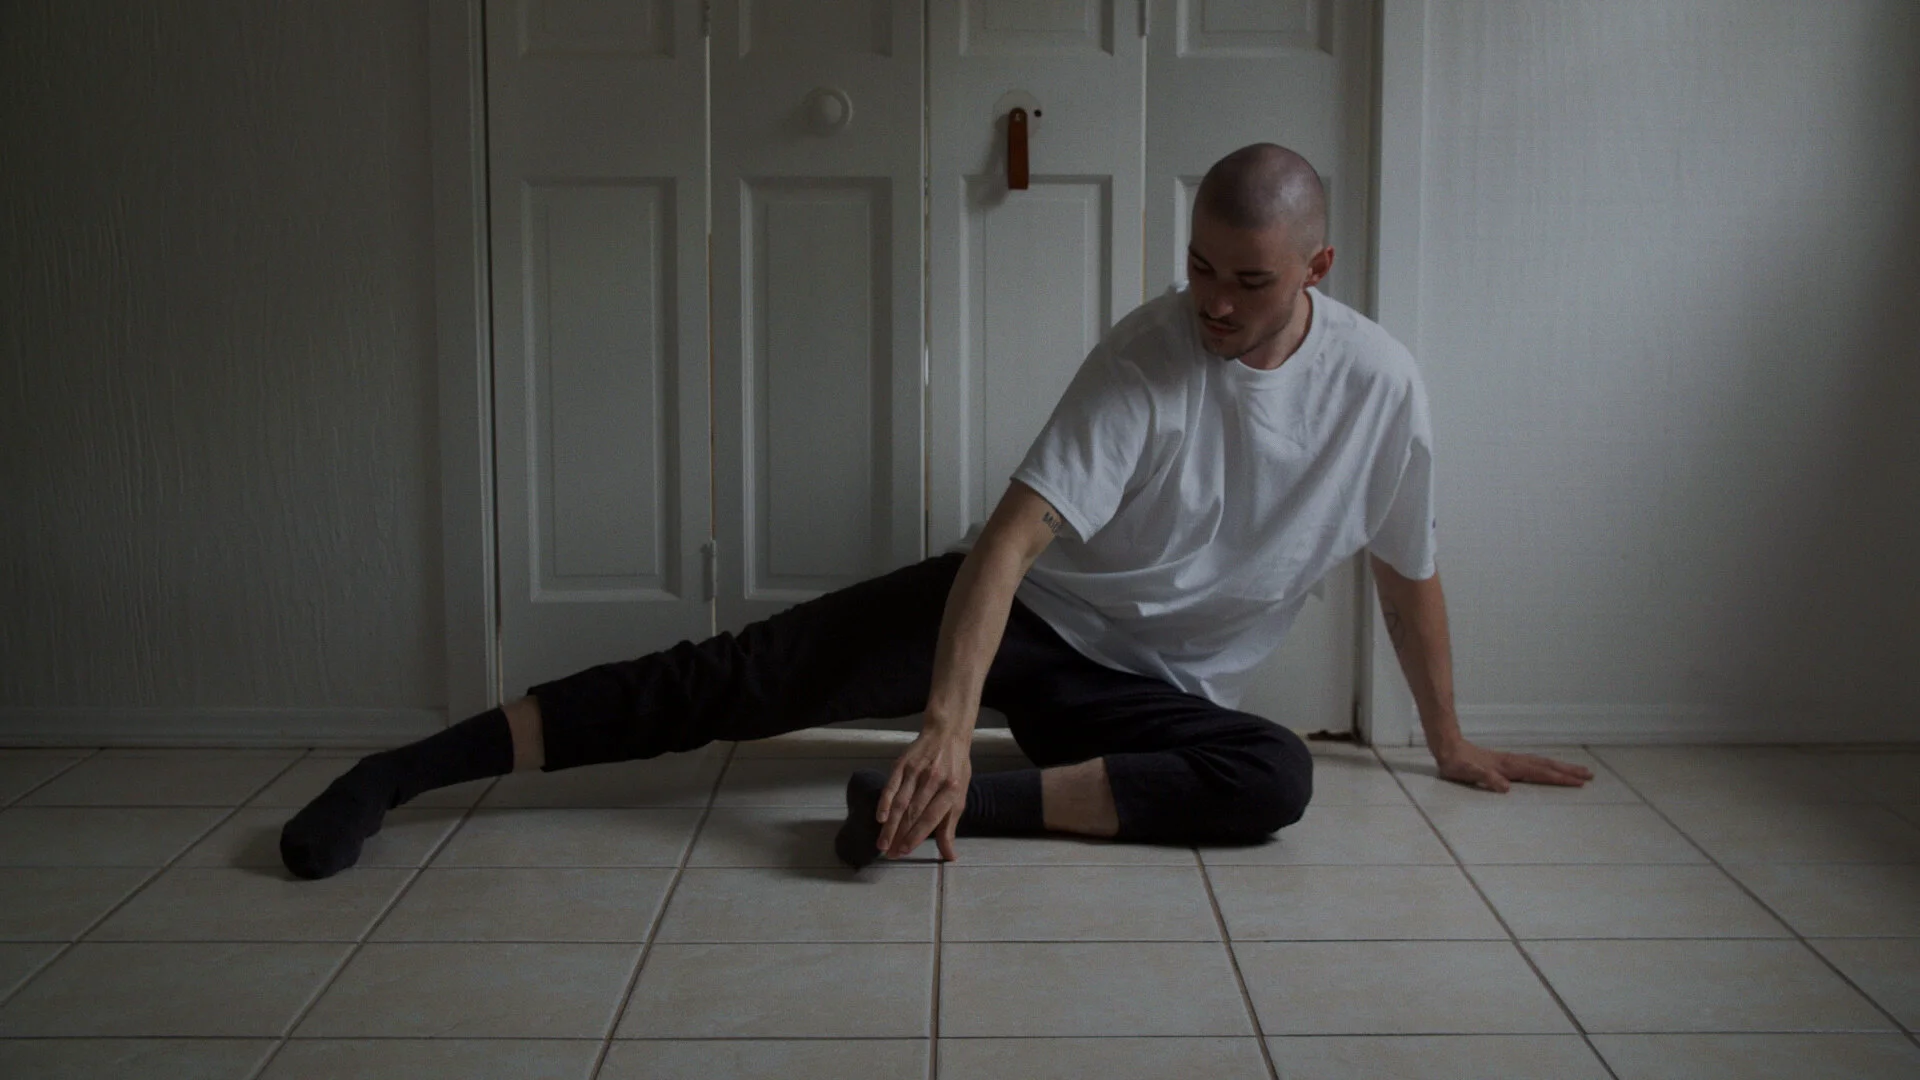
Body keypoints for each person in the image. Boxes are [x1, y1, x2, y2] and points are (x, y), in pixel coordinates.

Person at [279, 143, 1592, 881]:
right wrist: (950, 726)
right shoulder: (1148, 357)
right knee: (734, 677)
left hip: (1150, 691)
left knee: (1274, 775)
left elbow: (1406, 568)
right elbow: (1013, 539)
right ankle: (400, 773)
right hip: (1021, 616)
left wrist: (1448, 739)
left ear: (1316, 269)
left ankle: (922, 809)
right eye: (1198, 265)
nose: (1213, 301)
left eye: (1247, 281)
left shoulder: (1382, 388)